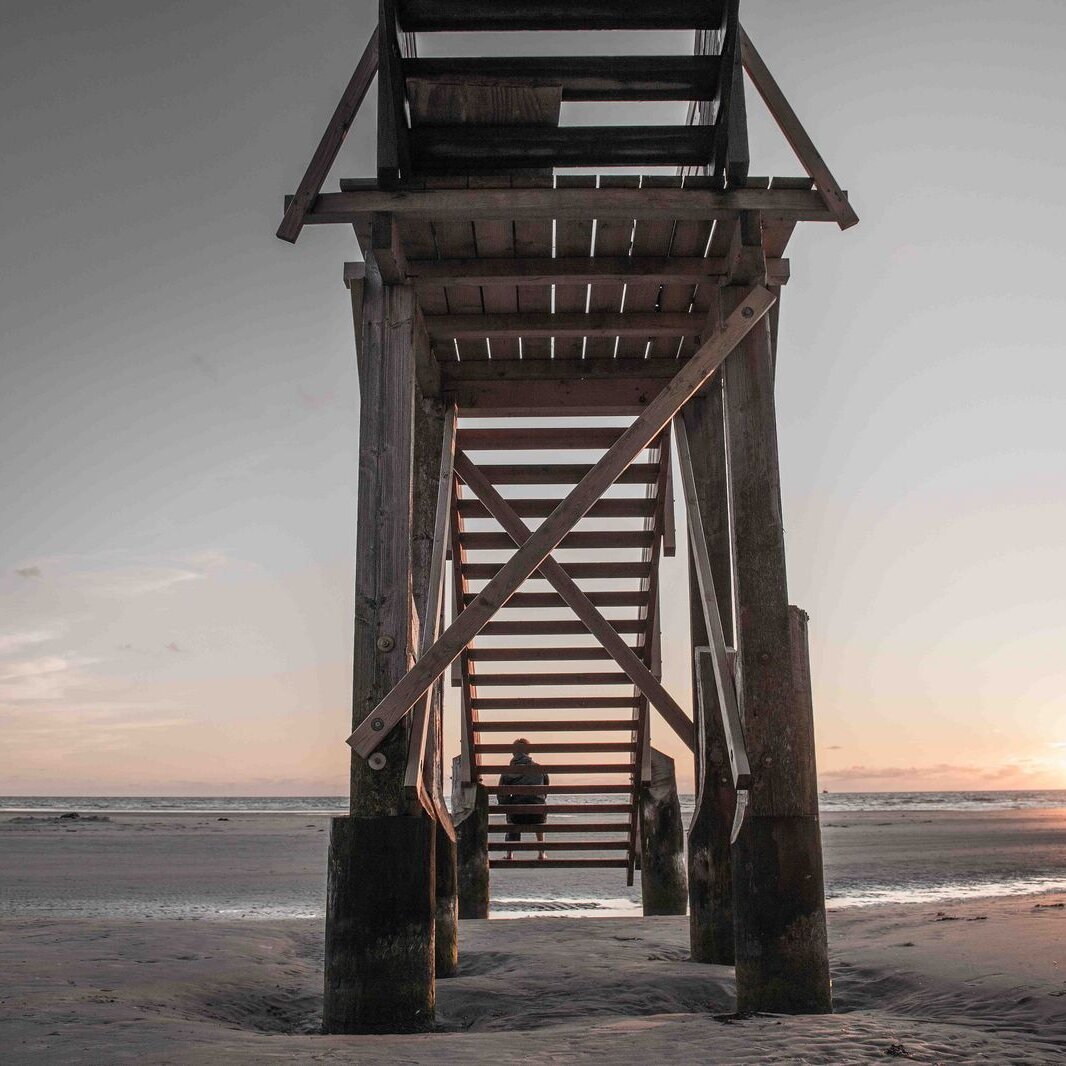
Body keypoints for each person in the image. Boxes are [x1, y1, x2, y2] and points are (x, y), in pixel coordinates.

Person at [498, 738, 550, 861]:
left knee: (511, 810)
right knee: (539, 805)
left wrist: (508, 805)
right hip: (537, 815)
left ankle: (510, 854)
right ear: (529, 751)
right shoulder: (540, 769)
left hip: (517, 816)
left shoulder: (507, 771)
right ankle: (541, 853)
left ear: (513, 752)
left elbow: (502, 795)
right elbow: (545, 791)